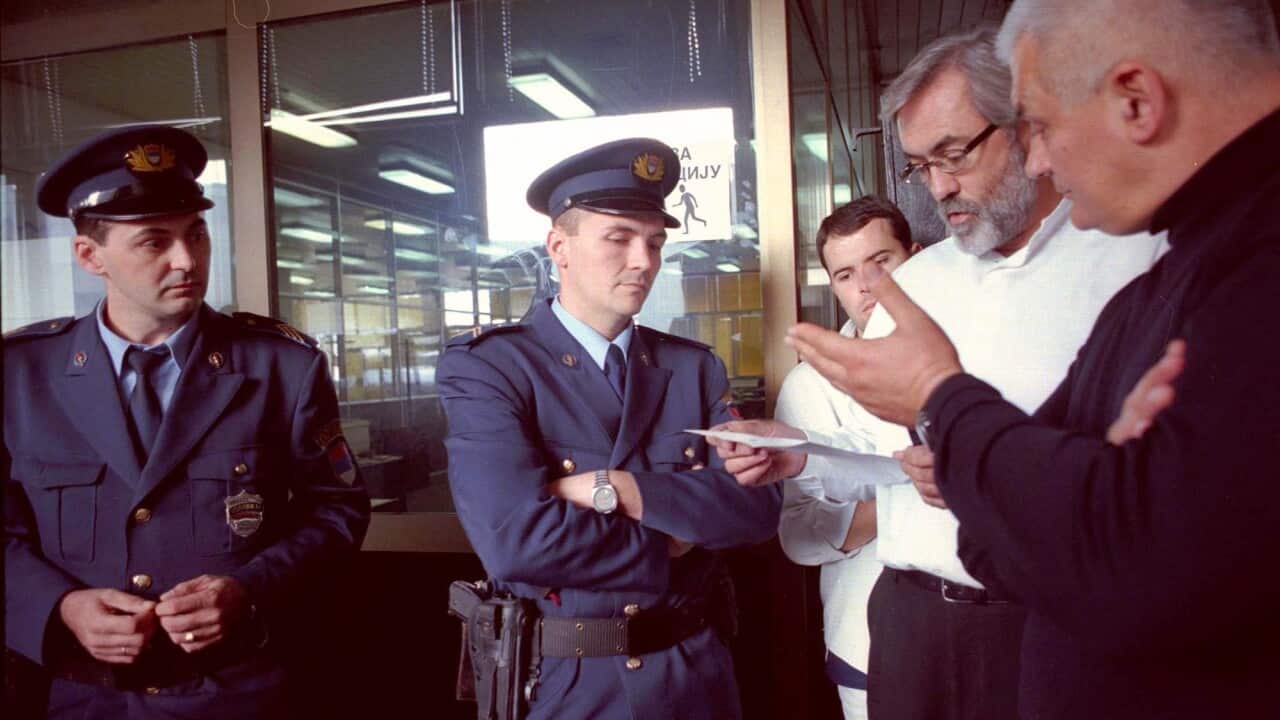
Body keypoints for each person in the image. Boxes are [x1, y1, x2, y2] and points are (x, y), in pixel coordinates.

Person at [784, 1, 1280, 717]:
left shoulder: (1161, 259)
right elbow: (1029, 521)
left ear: (1138, 101)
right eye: (921, 165)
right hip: (921, 616)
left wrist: (948, 404)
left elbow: (1131, 553)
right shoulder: (1177, 272)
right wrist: (1035, 474)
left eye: (1039, 127)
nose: (1039, 156)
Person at [712, 27, 1166, 720]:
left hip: (1051, 622)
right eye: (920, 166)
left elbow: (1153, 475)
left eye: (954, 155)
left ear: (1026, 128)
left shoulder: (1127, 260)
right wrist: (802, 457)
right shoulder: (917, 283)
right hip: (909, 620)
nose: (940, 187)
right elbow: (892, 462)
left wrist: (977, 464)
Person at [3, 125, 371, 719]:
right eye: (154, 242)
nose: (187, 260)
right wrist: (59, 607)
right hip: (83, 697)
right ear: (89, 255)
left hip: (239, 692)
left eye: (195, 235)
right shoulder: (20, 376)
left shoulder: (281, 366)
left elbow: (337, 510)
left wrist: (251, 591)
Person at [437, 138, 781, 720]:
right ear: (559, 247)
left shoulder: (694, 368)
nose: (643, 261)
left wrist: (622, 491)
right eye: (618, 238)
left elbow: (758, 511)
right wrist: (674, 539)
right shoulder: (491, 366)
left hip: (695, 672)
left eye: (654, 242)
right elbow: (515, 541)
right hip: (570, 684)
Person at [775, 196, 919, 720]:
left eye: (882, 263)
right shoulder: (810, 385)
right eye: (845, 274)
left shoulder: (969, 354)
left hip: (988, 629)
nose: (866, 286)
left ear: (917, 256)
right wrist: (919, 490)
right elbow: (799, 536)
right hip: (867, 646)